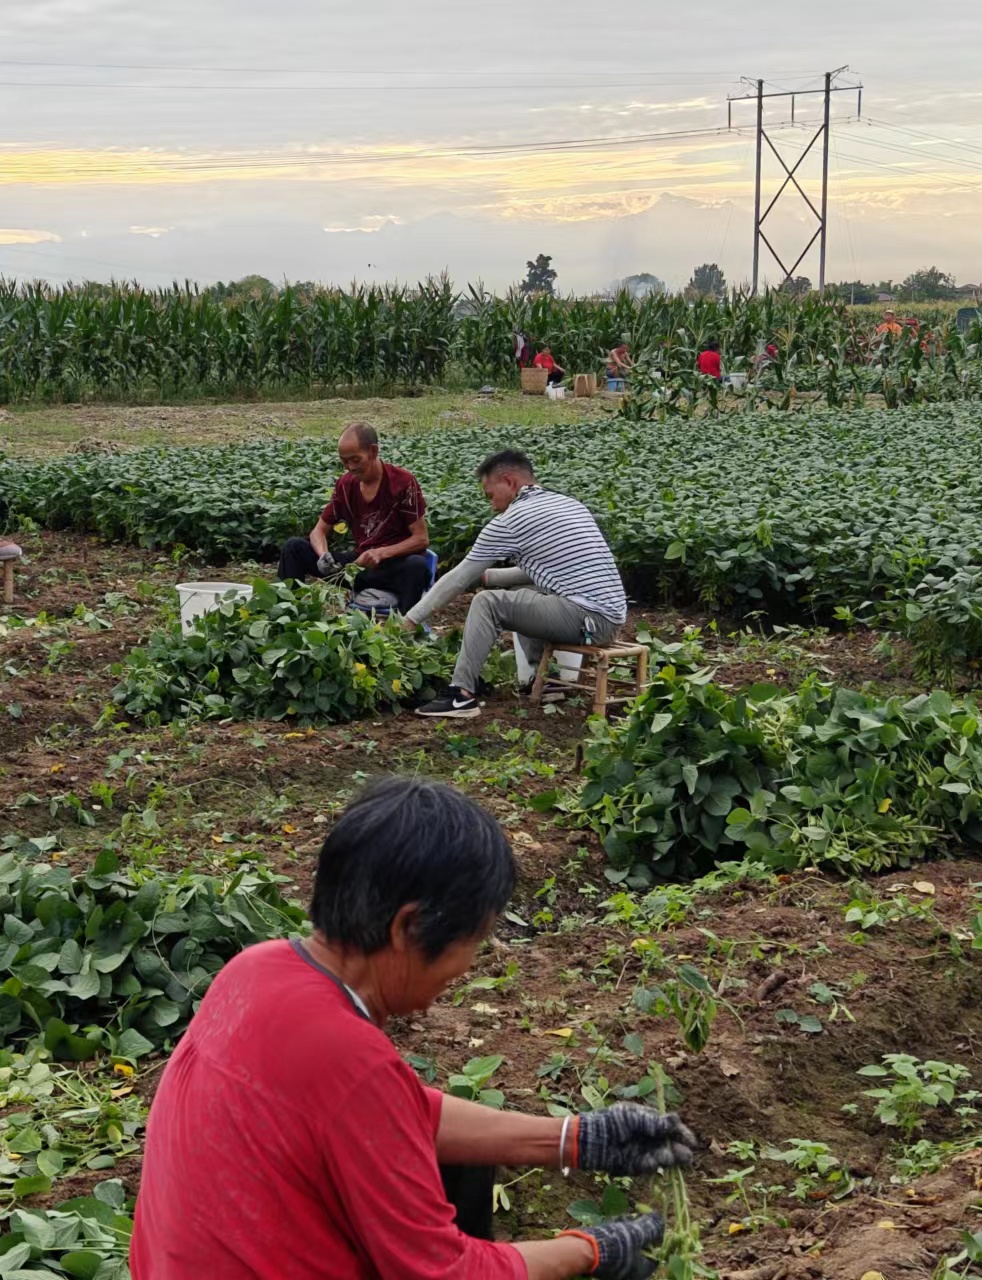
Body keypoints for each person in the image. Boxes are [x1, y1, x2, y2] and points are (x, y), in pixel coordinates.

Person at [131, 777, 692, 1280]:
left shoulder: (255, 969)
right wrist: (589, 1250)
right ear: (410, 926)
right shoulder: (349, 1058)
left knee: (460, 1169)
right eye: (474, 941)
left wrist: (575, 1139)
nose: (471, 964)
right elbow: (448, 1274)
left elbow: (393, 1113)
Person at [403, 450, 627, 719]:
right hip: (609, 616)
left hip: (588, 618)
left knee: (488, 603)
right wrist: (490, 578)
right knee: (522, 594)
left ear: (508, 481)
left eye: (490, 495)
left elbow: (459, 577)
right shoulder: (568, 505)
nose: (493, 505)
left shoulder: (512, 520)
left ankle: (461, 695)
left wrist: (411, 619)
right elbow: (549, 571)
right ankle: (543, 682)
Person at [278, 423, 431, 614]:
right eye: (345, 462)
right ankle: (288, 615)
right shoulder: (345, 484)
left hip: (393, 568)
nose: (351, 467)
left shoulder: (402, 482)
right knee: (293, 547)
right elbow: (318, 531)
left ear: (373, 451)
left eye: (356, 460)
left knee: (416, 566)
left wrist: (382, 553)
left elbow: (421, 539)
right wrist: (323, 555)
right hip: (358, 568)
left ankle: (406, 628)